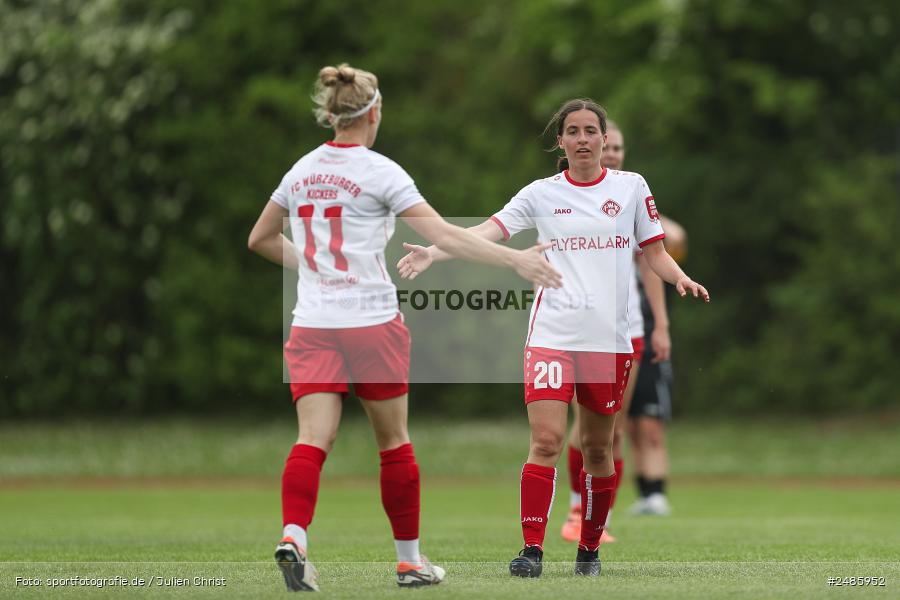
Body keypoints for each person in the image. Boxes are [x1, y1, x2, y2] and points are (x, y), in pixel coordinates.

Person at [248, 63, 561, 592]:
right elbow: (445, 234)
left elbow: (259, 238)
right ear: (373, 113)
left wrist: (318, 265)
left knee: (311, 439)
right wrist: (514, 262)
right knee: (393, 442)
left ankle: (295, 535)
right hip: (371, 322)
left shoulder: (299, 171)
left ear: (330, 114)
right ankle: (410, 562)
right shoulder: (381, 172)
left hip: (313, 324)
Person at [397, 99, 708, 577]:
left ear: (605, 140)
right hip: (551, 336)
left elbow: (655, 251)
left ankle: (589, 550)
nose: (583, 139)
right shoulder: (541, 193)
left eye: (591, 131)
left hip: (608, 341)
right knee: (545, 440)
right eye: (573, 131)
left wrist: (679, 277)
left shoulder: (630, 189)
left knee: (599, 448)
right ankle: (532, 550)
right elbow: (488, 231)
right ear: (560, 142)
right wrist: (435, 253)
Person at [559, 122, 673, 543]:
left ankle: (597, 516)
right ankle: (577, 506)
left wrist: (661, 324)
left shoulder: (630, 194)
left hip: (628, 330)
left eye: (619, 147)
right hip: (577, 329)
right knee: (585, 426)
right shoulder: (561, 195)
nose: (613, 154)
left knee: (614, 428)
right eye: (611, 146)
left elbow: (652, 260)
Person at [627, 213, 687, 516]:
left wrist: (643, 213)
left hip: (650, 342)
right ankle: (643, 493)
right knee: (628, 427)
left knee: (650, 426)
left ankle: (657, 494)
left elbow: (677, 237)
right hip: (618, 341)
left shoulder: (652, 243)